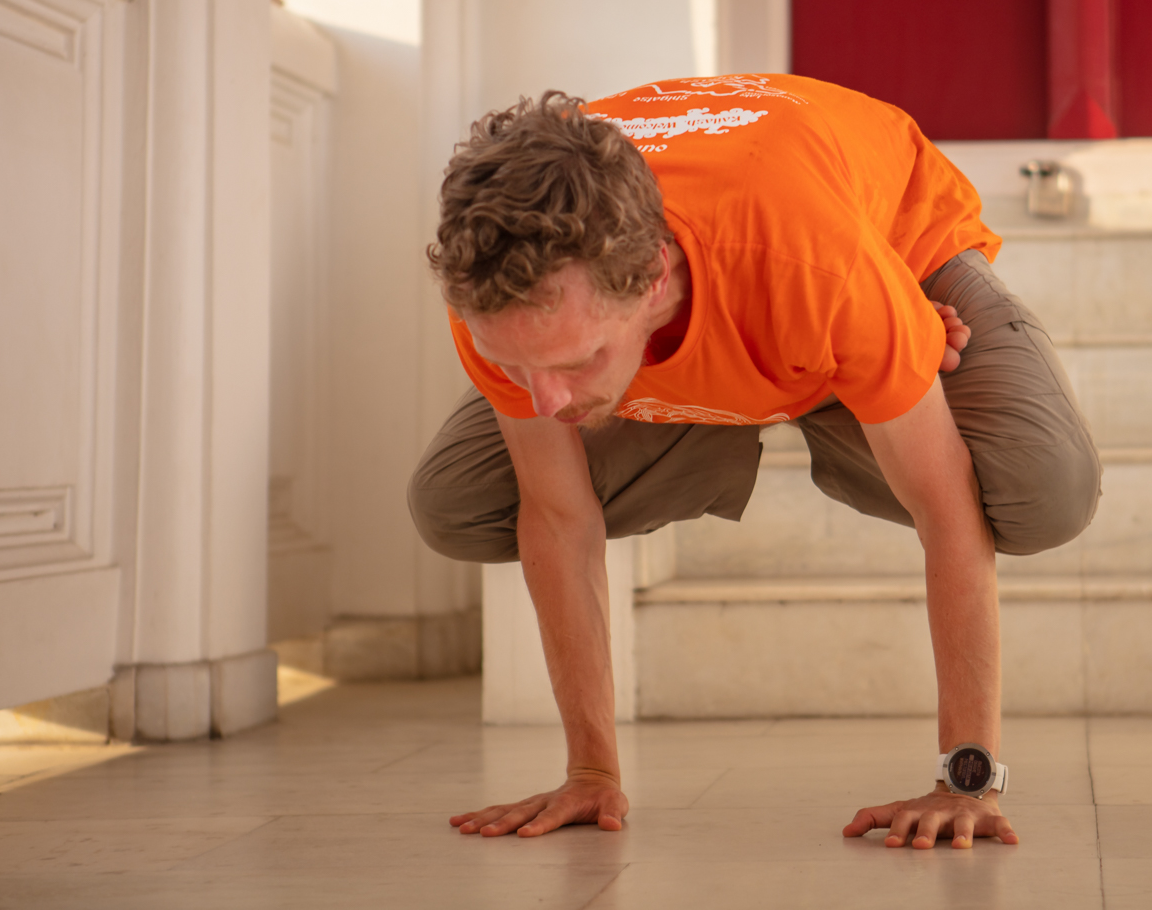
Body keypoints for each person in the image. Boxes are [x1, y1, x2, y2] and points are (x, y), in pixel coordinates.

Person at [407, 74, 1101, 850]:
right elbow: (557, 514)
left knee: (1046, 490)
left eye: (575, 361)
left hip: (884, 245)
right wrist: (590, 773)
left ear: (653, 279)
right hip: (782, 293)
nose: (544, 400)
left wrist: (964, 782)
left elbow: (947, 511)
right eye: (517, 365)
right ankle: (790, 372)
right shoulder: (497, 289)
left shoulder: (814, 264)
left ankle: (851, 358)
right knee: (457, 501)